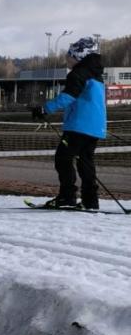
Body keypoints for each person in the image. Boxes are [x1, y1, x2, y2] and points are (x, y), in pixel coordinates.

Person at [31, 37, 106, 211]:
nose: (67, 59)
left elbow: (68, 97)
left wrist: (44, 109)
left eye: (70, 56)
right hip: (95, 128)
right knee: (85, 162)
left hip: (79, 126)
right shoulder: (97, 76)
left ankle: (67, 197)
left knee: (63, 159)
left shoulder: (78, 73)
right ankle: (90, 201)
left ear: (80, 56)